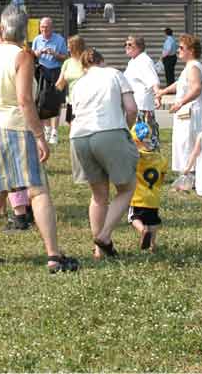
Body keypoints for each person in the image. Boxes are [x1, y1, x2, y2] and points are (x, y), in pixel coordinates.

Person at [0, 3, 78, 273]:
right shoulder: (23, 55)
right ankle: (53, 255)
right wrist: (40, 136)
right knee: (38, 190)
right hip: (16, 127)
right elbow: (24, 100)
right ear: (24, 30)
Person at [68, 48, 138, 259]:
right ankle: (104, 236)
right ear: (102, 60)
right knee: (127, 188)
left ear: (84, 66)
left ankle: (98, 250)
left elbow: (72, 116)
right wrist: (125, 128)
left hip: (79, 137)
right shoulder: (115, 74)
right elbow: (131, 108)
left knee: (98, 196)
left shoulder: (78, 84)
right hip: (108, 132)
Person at [155, 34, 202, 191]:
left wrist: (180, 103)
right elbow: (180, 84)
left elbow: (196, 88)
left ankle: (190, 179)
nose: (178, 50)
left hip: (191, 113)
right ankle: (187, 177)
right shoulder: (190, 66)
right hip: (186, 112)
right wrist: (163, 91)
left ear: (191, 50)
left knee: (188, 144)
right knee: (183, 143)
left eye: (181, 48)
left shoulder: (193, 67)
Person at [128, 121, 168, 251]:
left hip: (137, 196)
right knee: (153, 222)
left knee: (134, 218)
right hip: (153, 197)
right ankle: (152, 244)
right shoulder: (160, 158)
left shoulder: (135, 157)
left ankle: (142, 230)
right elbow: (162, 176)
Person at [31, 17, 68, 145]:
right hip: (42, 72)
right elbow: (32, 54)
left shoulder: (59, 40)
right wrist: (38, 52)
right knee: (42, 102)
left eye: (46, 27)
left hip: (56, 72)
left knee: (56, 102)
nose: (44, 29)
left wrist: (55, 54)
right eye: (42, 27)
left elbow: (65, 57)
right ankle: (47, 130)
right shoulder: (37, 39)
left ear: (52, 27)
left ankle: (54, 132)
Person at [122, 36, 161, 149]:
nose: (126, 47)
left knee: (143, 136)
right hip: (135, 104)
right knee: (136, 137)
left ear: (139, 47)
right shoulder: (133, 61)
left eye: (130, 44)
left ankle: (148, 159)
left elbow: (153, 80)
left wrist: (157, 96)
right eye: (126, 44)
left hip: (142, 106)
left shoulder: (144, 61)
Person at [55, 35, 85, 131]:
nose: (67, 49)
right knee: (73, 129)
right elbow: (60, 84)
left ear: (75, 47)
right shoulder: (67, 62)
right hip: (72, 101)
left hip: (86, 102)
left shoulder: (87, 61)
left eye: (69, 46)